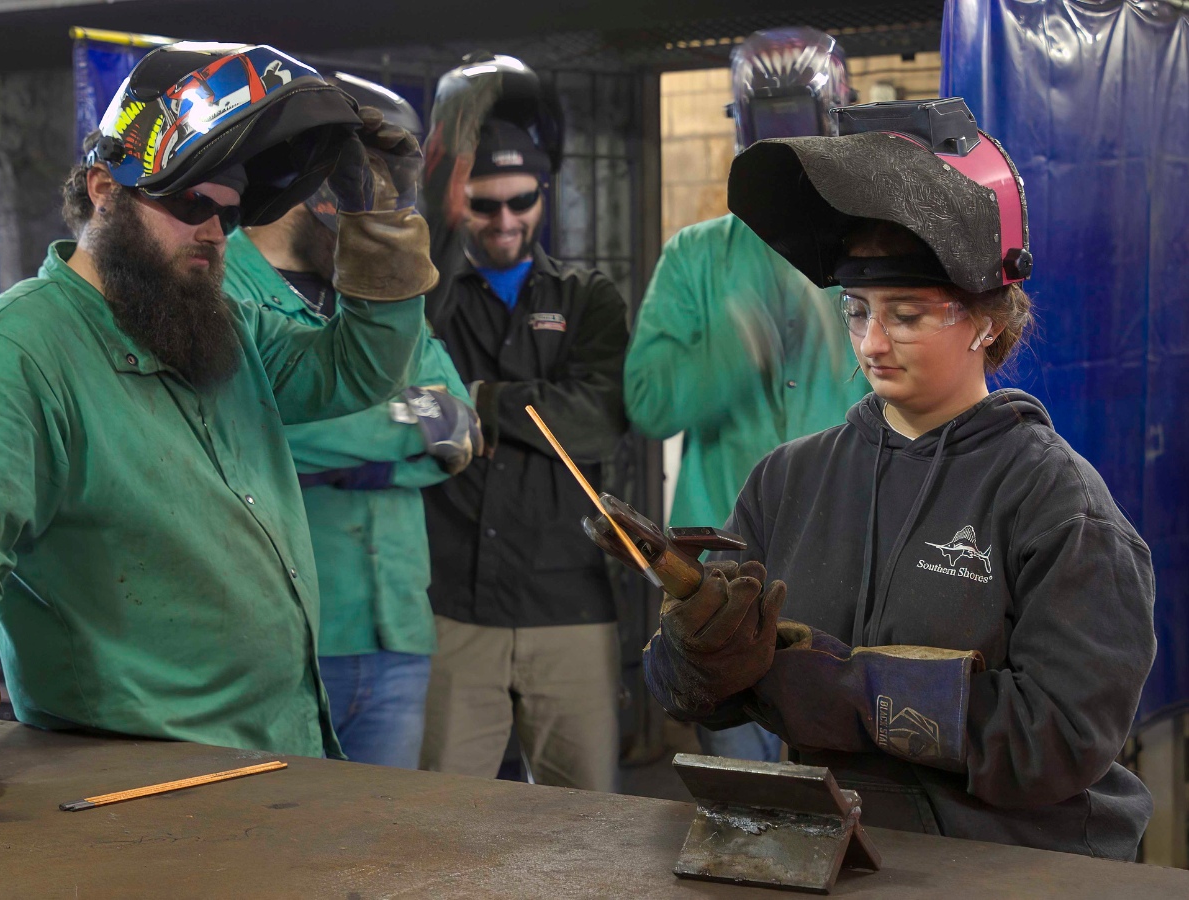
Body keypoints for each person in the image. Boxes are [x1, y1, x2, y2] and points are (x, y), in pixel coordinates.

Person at [0, 43, 439, 812]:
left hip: (286, 757)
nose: (214, 233)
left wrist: (381, 220)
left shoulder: (218, 327)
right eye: (191, 205)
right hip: (139, 790)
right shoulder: (16, 355)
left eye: (227, 213)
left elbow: (357, 366)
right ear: (103, 190)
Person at [640, 98, 1155, 858]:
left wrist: (846, 692)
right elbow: (687, 690)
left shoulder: (1057, 505)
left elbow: (1062, 739)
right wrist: (695, 657)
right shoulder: (791, 479)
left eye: (907, 315)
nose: (872, 344)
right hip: (837, 854)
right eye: (857, 311)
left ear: (987, 319)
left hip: (1015, 865)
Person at [223, 72, 480, 769]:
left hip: (395, 630)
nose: (380, 216)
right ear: (315, 186)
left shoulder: (374, 289)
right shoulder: (218, 287)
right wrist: (397, 436)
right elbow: (240, 435)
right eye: (367, 190)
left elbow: (458, 423)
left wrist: (326, 450)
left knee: (377, 862)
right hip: (288, 642)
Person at [624, 27, 866, 764]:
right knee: (743, 800)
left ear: (838, 123)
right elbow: (649, 403)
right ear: (742, 131)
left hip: (847, 562)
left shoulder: (867, 254)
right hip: (720, 581)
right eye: (771, 138)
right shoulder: (694, 259)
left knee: (851, 788)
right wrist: (738, 347)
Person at [418, 56, 629, 792]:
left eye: (522, 200)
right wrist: (538, 403)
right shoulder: (428, 302)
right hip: (453, 612)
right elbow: (405, 402)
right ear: (455, 202)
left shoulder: (588, 296)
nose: (505, 221)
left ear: (546, 191)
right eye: (482, 205)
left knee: (592, 829)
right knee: (439, 832)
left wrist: (476, 399)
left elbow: (599, 422)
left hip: (566, 607)